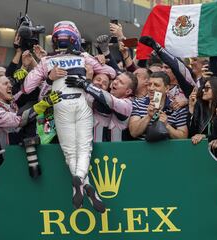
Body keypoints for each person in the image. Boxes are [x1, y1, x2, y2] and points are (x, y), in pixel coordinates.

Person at [23, 20, 116, 213]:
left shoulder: (47, 61)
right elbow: (111, 72)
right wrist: (96, 65)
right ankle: (82, 180)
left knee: (69, 152)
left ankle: (80, 182)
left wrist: (49, 76)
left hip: (60, 104)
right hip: (82, 104)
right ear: (75, 39)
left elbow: (27, 87)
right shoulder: (83, 57)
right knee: (84, 148)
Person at [66, 71, 137, 142]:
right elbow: (94, 99)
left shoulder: (127, 105)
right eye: (116, 79)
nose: (115, 82)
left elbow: (108, 100)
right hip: (93, 148)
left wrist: (86, 84)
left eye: (121, 82)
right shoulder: (103, 98)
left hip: (116, 151)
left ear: (128, 92)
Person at [129, 71, 188, 140]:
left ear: (167, 88)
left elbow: (183, 137)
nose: (151, 88)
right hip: (142, 149)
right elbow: (133, 133)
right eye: (149, 84)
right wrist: (148, 116)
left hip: (168, 149)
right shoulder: (138, 103)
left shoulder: (177, 107)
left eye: (156, 85)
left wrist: (166, 125)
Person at [188, 76, 217, 145]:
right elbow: (190, 133)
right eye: (204, 88)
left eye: (207, 88)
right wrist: (191, 108)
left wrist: (204, 136)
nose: (203, 90)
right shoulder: (200, 106)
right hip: (201, 149)